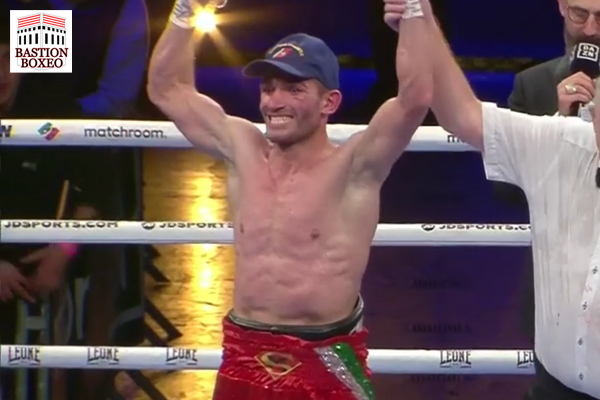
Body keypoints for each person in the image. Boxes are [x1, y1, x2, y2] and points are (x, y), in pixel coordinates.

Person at [148, 0, 431, 397]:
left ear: (329, 103)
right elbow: (166, 89)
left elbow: (414, 99)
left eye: (294, 89)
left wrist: (414, 13)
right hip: (244, 351)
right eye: (268, 88)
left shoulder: (354, 166)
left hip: (326, 357)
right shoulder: (242, 148)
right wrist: (185, 11)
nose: (274, 102)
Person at [399, 0, 600, 399]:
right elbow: (460, 112)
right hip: (557, 384)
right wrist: (420, 14)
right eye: (581, 13)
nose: (591, 28)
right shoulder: (560, 138)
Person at [503, 1, 600, 396]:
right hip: (557, 306)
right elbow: (505, 192)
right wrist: (559, 127)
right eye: (580, 14)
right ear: (561, 6)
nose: (590, 29)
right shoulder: (534, 86)